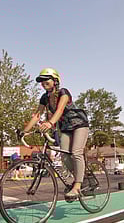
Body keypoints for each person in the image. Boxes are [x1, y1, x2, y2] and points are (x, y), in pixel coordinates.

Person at [20, 68, 89, 201]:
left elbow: (60, 109)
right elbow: (37, 115)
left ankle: (77, 186)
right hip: (64, 128)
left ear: (55, 81)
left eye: (46, 79)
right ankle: (81, 178)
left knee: (76, 152)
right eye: (41, 81)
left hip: (79, 124)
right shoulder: (45, 98)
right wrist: (25, 131)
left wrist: (50, 123)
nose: (43, 82)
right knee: (64, 156)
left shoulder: (64, 92)